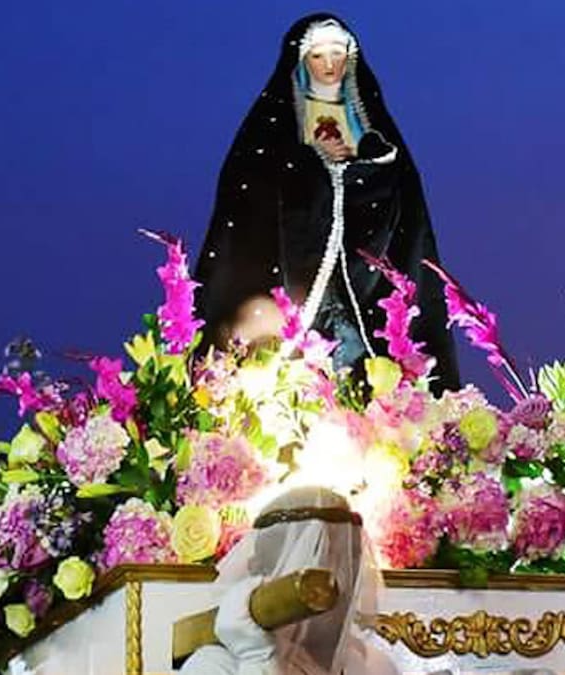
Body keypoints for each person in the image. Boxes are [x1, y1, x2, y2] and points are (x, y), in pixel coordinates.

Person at [193, 13, 460, 392]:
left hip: (359, 284)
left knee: (367, 384)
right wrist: (313, 163)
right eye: (319, 55)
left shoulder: (372, 129)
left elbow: (401, 202)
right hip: (293, 282)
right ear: (302, 60)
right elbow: (251, 201)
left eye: (338, 53)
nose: (329, 64)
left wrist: (362, 166)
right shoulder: (271, 131)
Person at [180, 486, 399, 674]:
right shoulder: (212, 665)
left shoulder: (373, 664)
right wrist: (258, 658)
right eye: (323, 556)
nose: (343, 580)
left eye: (351, 558)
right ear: (261, 570)